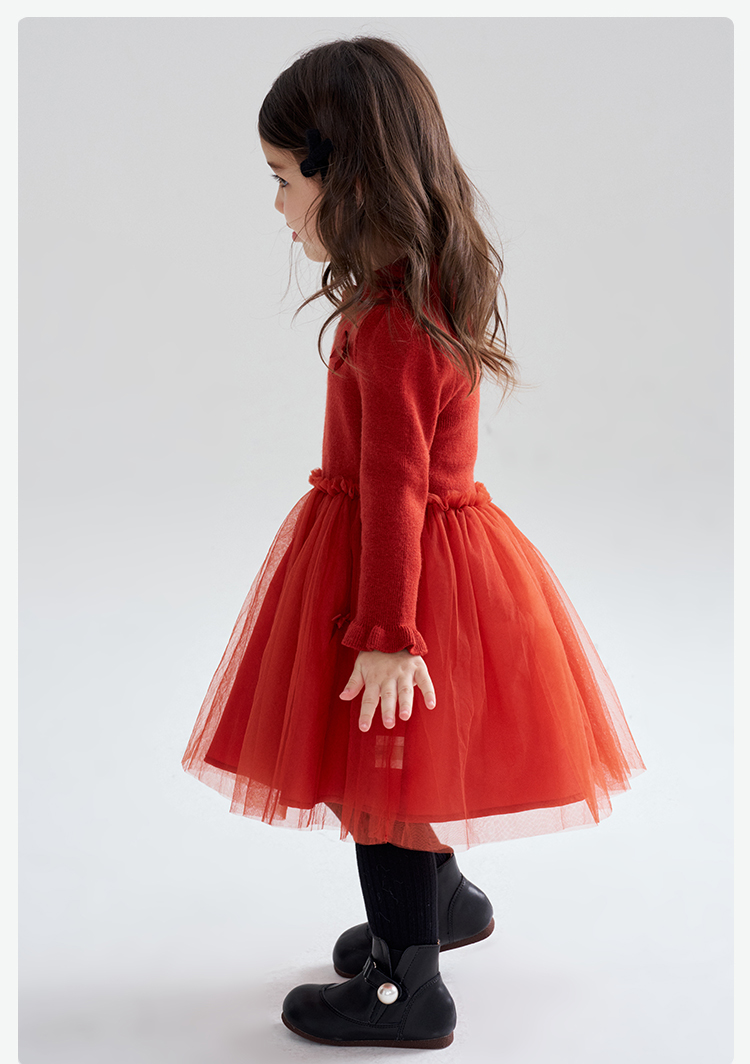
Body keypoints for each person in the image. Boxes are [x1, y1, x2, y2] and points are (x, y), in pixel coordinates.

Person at [181, 36, 646, 1050]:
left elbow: (395, 483)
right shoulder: (421, 291)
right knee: (403, 761)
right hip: (437, 560)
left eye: (283, 179)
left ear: (346, 181)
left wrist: (386, 631)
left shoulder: (394, 325)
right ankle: (444, 901)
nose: (276, 206)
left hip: (401, 576)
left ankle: (406, 983)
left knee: (378, 779)